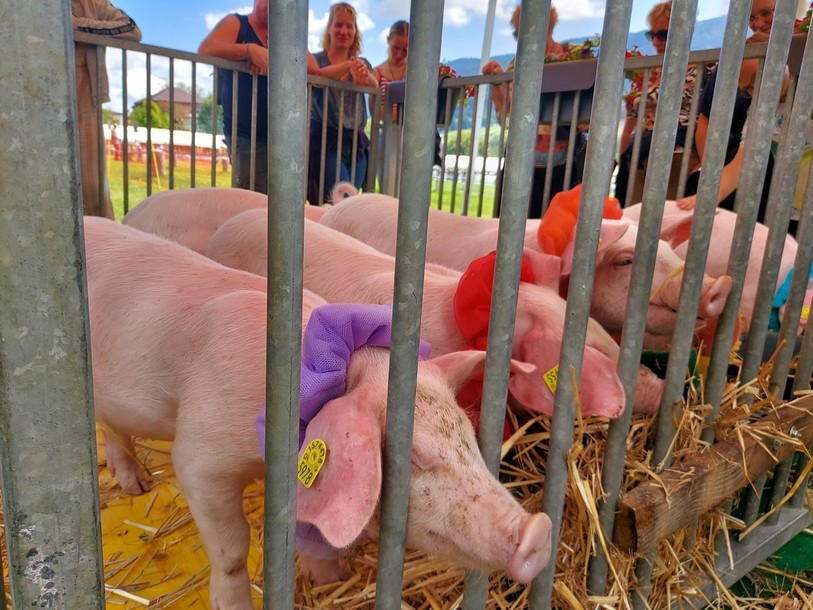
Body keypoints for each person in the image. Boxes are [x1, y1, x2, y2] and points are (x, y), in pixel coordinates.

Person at [679, 1, 791, 231]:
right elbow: (744, 156)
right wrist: (711, 192)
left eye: (753, 83)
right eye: (748, 90)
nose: (755, 93)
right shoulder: (762, 111)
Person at [481, 5, 587, 218]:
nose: (520, 38)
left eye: (523, 31)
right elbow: (506, 113)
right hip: (523, 161)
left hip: (565, 164)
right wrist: (497, 83)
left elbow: (591, 97)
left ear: (547, 26)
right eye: (517, 33)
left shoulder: (577, 55)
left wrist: (586, 117)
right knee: (515, 222)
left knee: (557, 226)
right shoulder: (516, 64)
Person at [614, 0, 703, 207]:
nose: (655, 42)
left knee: (668, 228)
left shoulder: (702, 70)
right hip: (641, 160)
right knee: (634, 225)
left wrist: (704, 164)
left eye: (662, 35)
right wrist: (622, 164)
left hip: (679, 160)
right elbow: (630, 125)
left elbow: (710, 121)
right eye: (651, 35)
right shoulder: (645, 73)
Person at [71, 0, 142, 219]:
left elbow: (132, 30)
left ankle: (98, 242)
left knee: (92, 185)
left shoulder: (94, 3)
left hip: (84, 97)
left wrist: (78, 26)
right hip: (36, 95)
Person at [307, 2, 378, 204]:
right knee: (338, 200)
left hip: (356, 144)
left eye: (349, 26)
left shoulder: (362, 62)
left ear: (355, 32)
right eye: (338, 25)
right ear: (329, 28)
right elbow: (318, 75)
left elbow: (374, 86)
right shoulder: (317, 60)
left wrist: (362, 74)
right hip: (326, 143)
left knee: (352, 202)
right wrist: (348, 65)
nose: (344, 31)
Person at [199, 0, 269, 194]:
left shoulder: (284, 38)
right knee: (250, 199)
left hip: (278, 136)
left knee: (274, 201)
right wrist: (249, 50)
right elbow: (206, 49)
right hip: (245, 134)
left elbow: (310, 66)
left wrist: (270, 58)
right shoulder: (237, 23)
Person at [371, 20, 409, 122]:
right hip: (386, 134)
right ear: (388, 40)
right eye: (395, 48)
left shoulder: (415, 72)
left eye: (405, 50)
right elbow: (374, 112)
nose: (399, 55)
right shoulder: (377, 72)